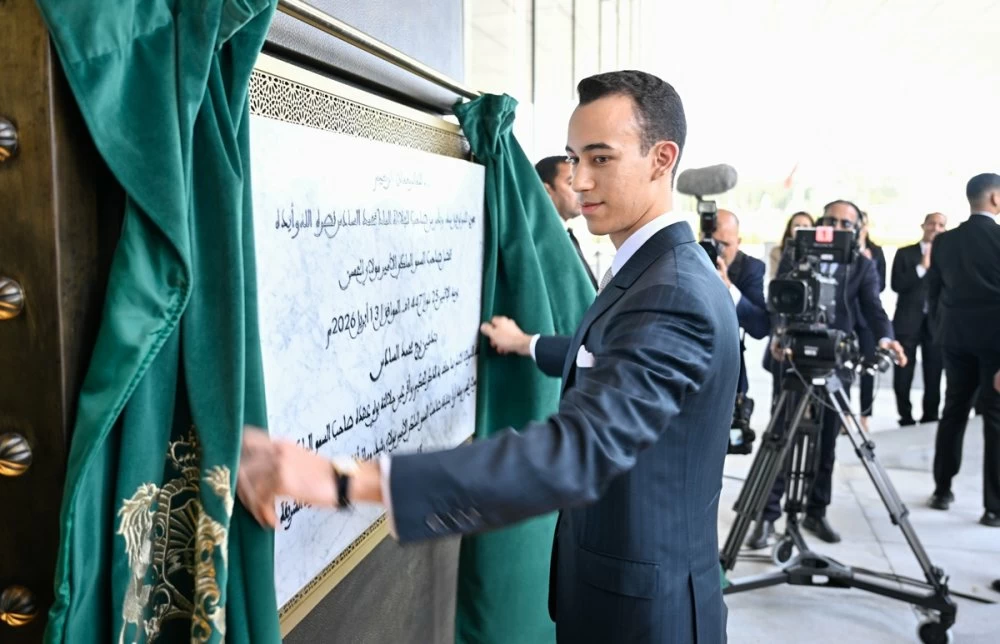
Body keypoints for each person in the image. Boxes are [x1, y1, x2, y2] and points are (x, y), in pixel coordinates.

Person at [237, 71, 740, 643]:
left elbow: (579, 450)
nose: (578, 181)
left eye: (601, 159)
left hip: (647, 621)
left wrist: (343, 480)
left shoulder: (672, 293)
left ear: (661, 158)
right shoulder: (652, 273)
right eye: (574, 159)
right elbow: (602, 365)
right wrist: (528, 344)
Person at [746, 200, 905, 549]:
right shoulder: (795, 254)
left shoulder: (863, 266)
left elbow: (874, 309)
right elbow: (779, 301)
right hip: (792, 358)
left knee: (828, 442)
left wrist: (886, 339)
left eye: (844, 223)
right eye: (829, 220)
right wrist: (778, 333)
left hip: (835, 361)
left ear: (858, 228)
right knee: (779, 439)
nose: (835, 227)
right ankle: (767, 517)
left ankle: (816, 511)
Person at [926, 173, 1000, 528]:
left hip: (954, 340)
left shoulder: (945, 242)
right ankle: (994, 507)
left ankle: (942, 490)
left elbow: (933, 293)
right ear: (996, 199)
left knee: (953, 412)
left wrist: (942, 332)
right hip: (995, 346)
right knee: (996, 423)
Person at [891, 212, 947, 426]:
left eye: (941, 225)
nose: (935, 228)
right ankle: (905, 415)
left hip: (936, 323)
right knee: (903, 373)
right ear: (923, 225)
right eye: (932, 223)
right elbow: (897, 284)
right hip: (908, 322)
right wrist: (921, 268)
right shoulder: (905, 253)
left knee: (934, 373)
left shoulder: (948, 256)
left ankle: (930, 415)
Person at [713, 209, 769, 397]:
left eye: (725, 244)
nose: (718, 251)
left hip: (728, 369)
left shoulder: (750, 268)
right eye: (713, 244)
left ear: (738, 242)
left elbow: (760, 326)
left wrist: (729, 290)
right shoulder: (689, 259)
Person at [535, 155, 599, 288]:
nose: (580, 189)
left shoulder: (564, 235)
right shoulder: (542, 242)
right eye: (570, 183)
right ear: (546, 190)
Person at [854, 211, 887, 432]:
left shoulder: (875, 252)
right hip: (846, 317)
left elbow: (881, 285)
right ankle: (844, 415)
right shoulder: (839, 249)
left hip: (865, 318)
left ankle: (865, 414)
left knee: (868, 367)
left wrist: (868, 267)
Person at [768, 211, 813, 280]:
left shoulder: (819, 251)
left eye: (805, 226)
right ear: (790, 229)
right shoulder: (776, 252)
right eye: (797, 226)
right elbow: (775, 279)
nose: (800, 230)